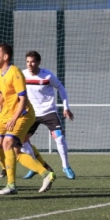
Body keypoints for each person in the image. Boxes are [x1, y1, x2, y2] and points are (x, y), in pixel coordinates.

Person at [0, 43, 55, 196]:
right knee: (15, 150)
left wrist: (14, 118)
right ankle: (44, 174)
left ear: (5, 56)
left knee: (7, 143)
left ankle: (12, 185)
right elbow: (2, 97)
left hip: (24, 114)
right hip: (13, 115)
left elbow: (23, 99)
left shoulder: (14, 72)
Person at [20, 50, 76, 180]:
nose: (30, 64)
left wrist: (66, 107)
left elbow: (61, 88)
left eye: (33, 61)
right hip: (31, 113)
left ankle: (66, 166)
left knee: (59, 138)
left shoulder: (47, 75)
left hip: (48, 112)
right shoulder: (22, 75)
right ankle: (35, 166)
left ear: (38, 62)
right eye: (28, 62)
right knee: (22, 141)